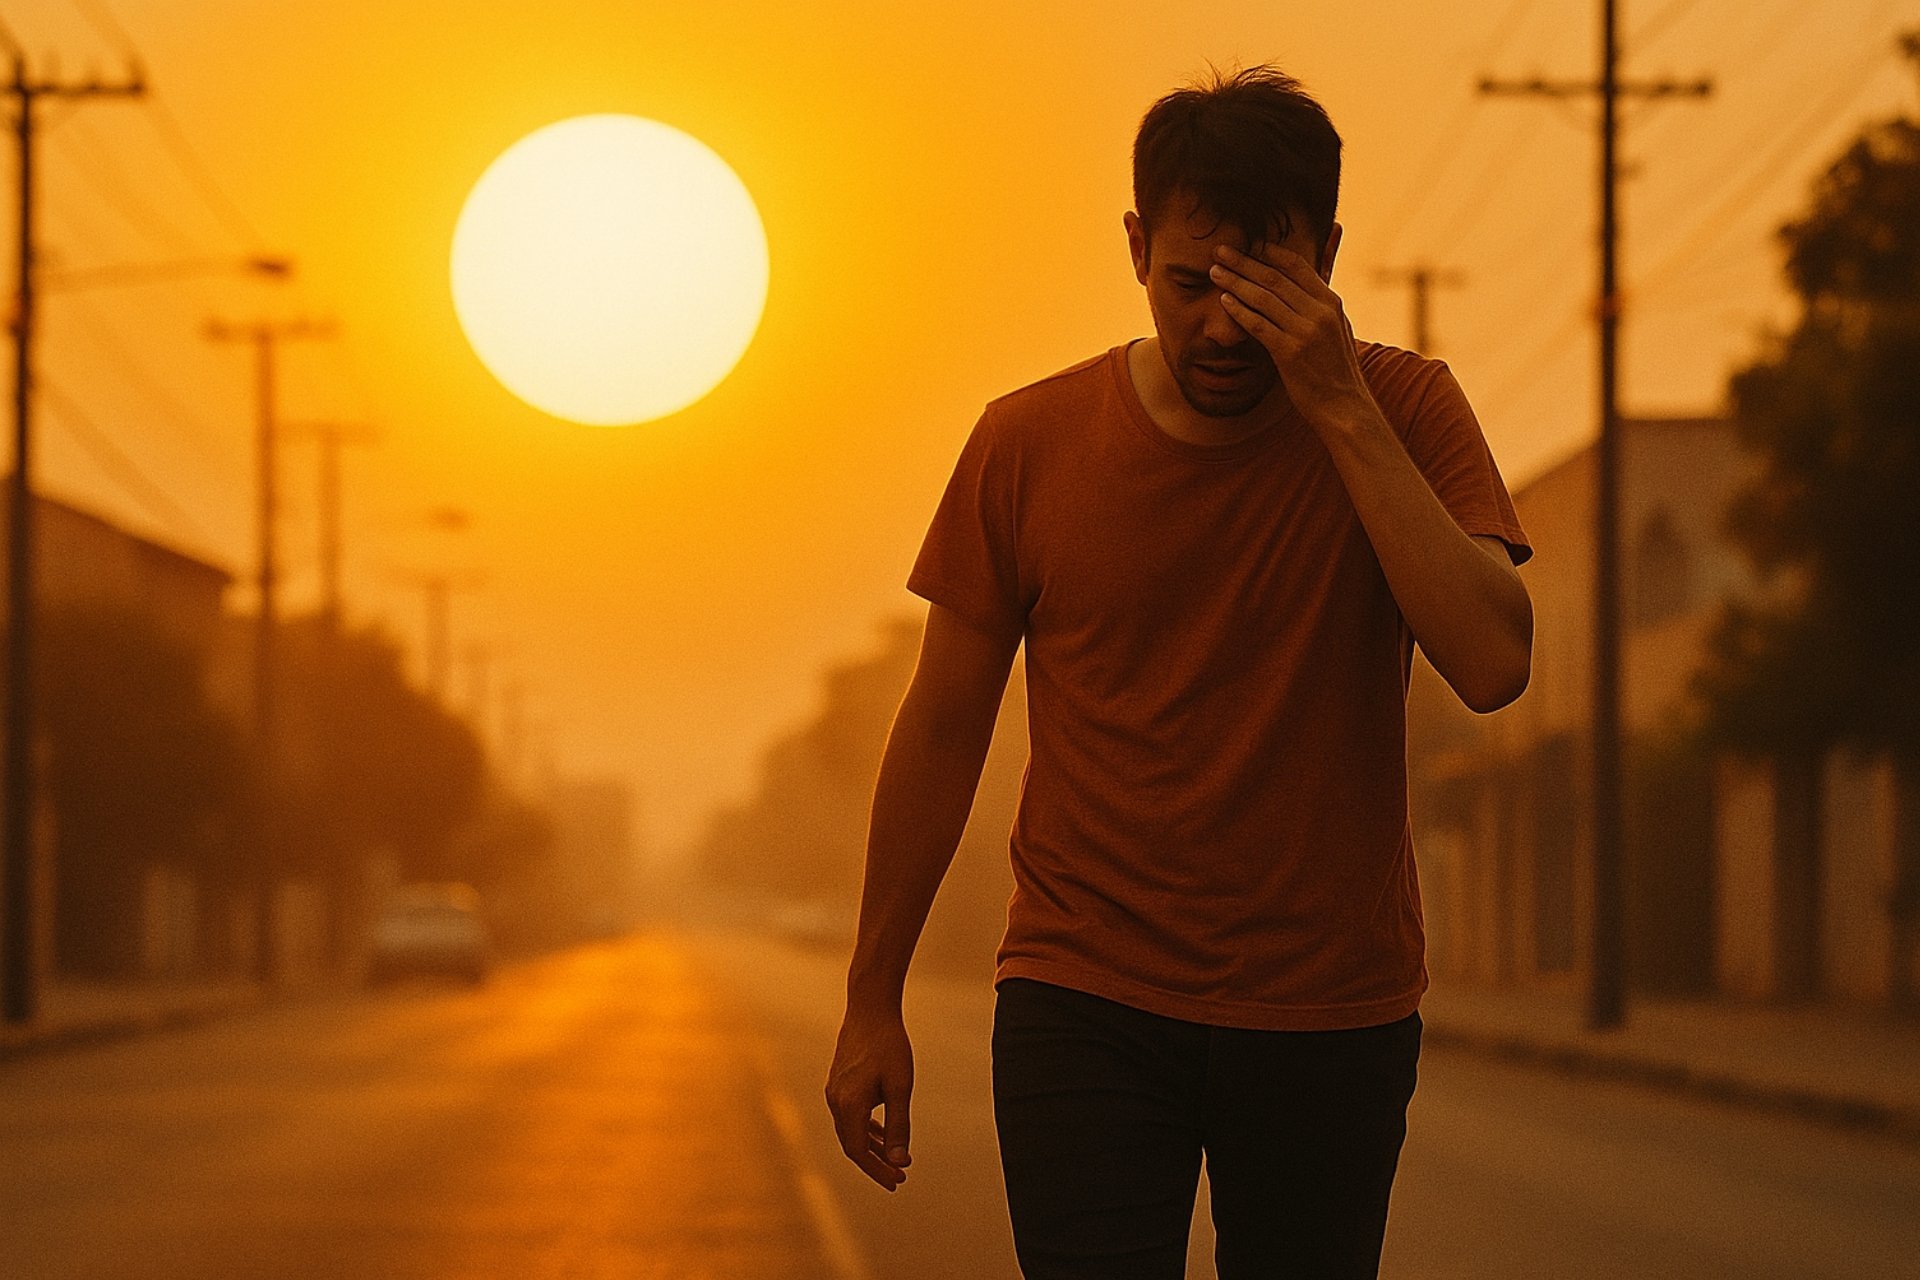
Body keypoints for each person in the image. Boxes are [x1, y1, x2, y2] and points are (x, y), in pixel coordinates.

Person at [825, 64, 1533, 1279]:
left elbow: (1492, 660)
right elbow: (943, 727)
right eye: (1190, 283)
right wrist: (873, 993)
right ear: (1138, 245)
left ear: (1328, 255)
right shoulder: (1028, 443)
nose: (1220, 325)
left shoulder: (1405, 410)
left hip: (1331, 1010)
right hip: (1086, 994)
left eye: (1265, 287)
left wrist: (1339, 406)